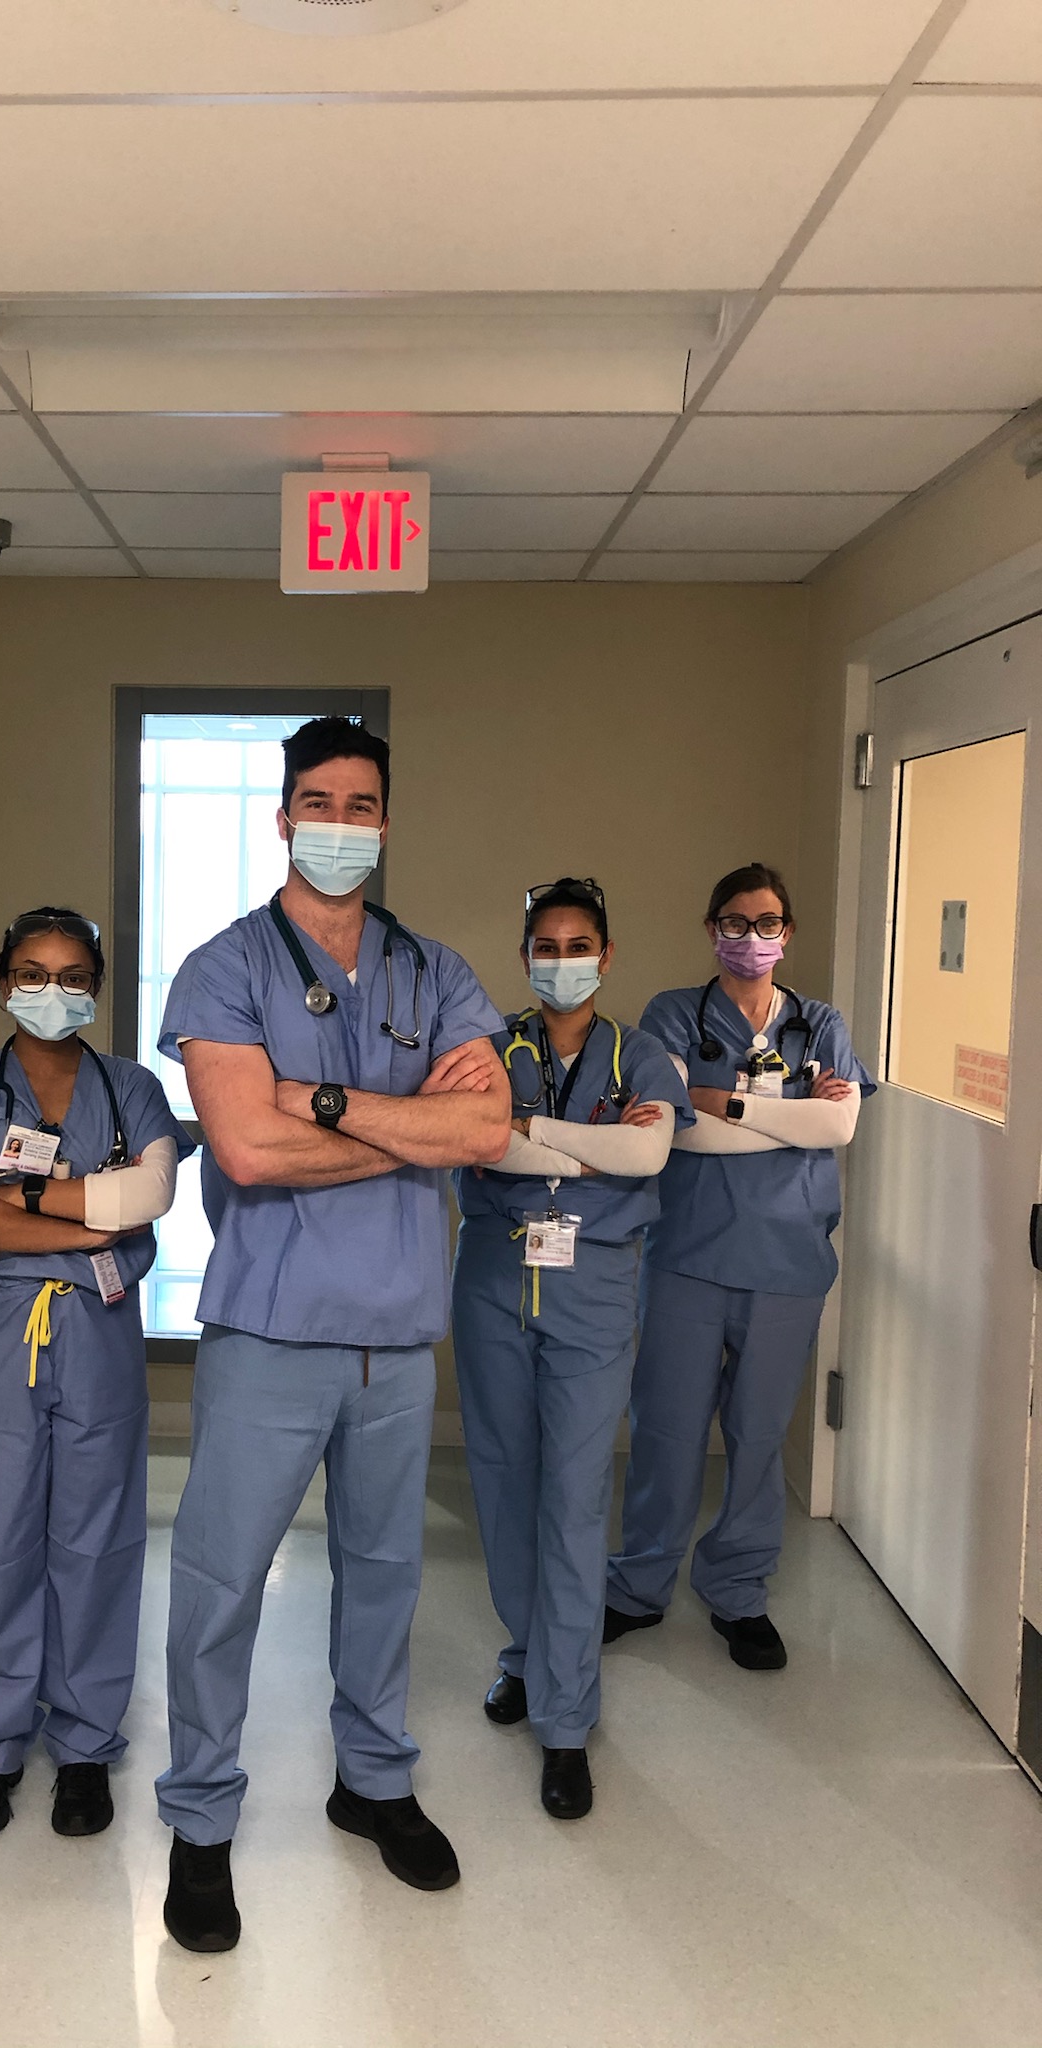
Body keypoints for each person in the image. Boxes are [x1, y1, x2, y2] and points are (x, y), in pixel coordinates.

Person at [153, 715, 511, 1955]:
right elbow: (246, 1146)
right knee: (219, 1580)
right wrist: (410, 1117)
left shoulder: (438, 969)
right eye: (319, 801)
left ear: (387, 820)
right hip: (271, 1330)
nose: (340, 824)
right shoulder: (223, 967)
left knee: (386, 1575)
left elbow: (486, 1133)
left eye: (362, 804)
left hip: (397, 1340)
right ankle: (201, 1818)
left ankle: (372, 1777)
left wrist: (327, 1105)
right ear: (283, 816)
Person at [0, 909, 193, 1842]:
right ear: (0, 982)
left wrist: (15, 1198)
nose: (50, 991)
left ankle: (86, 1744)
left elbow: (149, 1197)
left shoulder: (133, 1086)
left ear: (95, 988)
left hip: (100, 1336)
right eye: (30, 971)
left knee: (97, 1540)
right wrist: (85, 1224)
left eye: (70, 975)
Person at [452, 878, 692, 1821]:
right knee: (505, 1483)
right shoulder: (484, 1049)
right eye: (545, 946)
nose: (562, 961)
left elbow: (650, 1157)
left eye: (578, 943)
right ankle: (528, 1656)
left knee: (576, 1493)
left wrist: (530, 1133)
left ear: (608, 952)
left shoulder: (645, 1055)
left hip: (593, 1286)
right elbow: (474, 1146)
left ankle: (565, 1720)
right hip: (495, 1278)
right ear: (523, 958)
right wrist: (590, 1142)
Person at [606, 861, 874, 1671]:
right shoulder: (671, 1015)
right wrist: (792, 1116)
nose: (749, 938)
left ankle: (739, 1588)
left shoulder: (821, 1024)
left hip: (787, 1259)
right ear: (710, 928)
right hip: (688, 1253)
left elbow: (840, 1131)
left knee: (757, 1435)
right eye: (733, 921)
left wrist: (724, 1101)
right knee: (667, 1428)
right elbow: (676, 1130)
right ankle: (639, 1584)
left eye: (765, 924)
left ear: (786, 933)